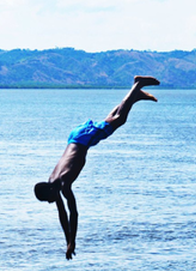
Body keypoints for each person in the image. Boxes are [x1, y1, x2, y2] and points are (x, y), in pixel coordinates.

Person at [34, 75, 160, 259]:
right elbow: (62, 215)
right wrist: (68, 241)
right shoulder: (53, 181)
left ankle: (137, 85)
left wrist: (73, 241)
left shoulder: (63, 184)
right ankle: (135, 95)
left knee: (119, 120)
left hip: (83, 141)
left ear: (50, 191)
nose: (51, 202)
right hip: (75, 137)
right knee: (109, 120)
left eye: (48, 199)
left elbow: (73, 214)